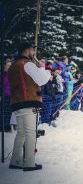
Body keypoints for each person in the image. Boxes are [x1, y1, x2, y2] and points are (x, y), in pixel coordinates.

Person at [8, 42, 51, 171]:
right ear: (27, 50)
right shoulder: (27, 64)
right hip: (29, 101)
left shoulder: (13, 67)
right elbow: (42, 80)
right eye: (32, 50)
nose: (34, 53)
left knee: (21, 132)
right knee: (30, 132)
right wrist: (43, 68)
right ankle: (29, 163)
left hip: (17, 102)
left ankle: (15, 160)